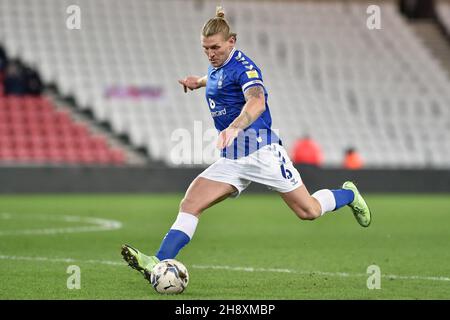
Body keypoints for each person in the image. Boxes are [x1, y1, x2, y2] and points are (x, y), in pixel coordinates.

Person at [121, 7, 372, 282]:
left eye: (215, 47)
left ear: (232, 42)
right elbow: (216, 78)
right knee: (191, 202)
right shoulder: (217, 65)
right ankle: (157, 261)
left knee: (308, 211)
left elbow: (256, 101)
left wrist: (234, 127)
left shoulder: (246, 68)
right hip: (233, 158)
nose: (210, 53)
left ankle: (349, 194)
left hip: (262, 152)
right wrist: (198, 82)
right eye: (205, 48)